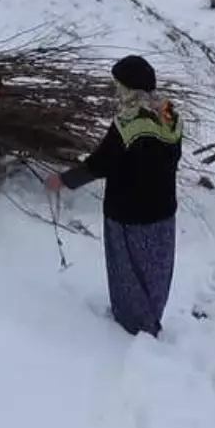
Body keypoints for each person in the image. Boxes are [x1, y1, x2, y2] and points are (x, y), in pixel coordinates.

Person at [45, 54, 182, 337]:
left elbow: (100, 164)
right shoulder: (169, 114)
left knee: (128, 273)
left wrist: (64, 180)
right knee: (156, 273)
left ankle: (133, 327)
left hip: (128, 215)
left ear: (130, 87)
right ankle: (151, 319)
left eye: (118, 85)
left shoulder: (127, 123)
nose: (116, 90)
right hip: (164, 213)